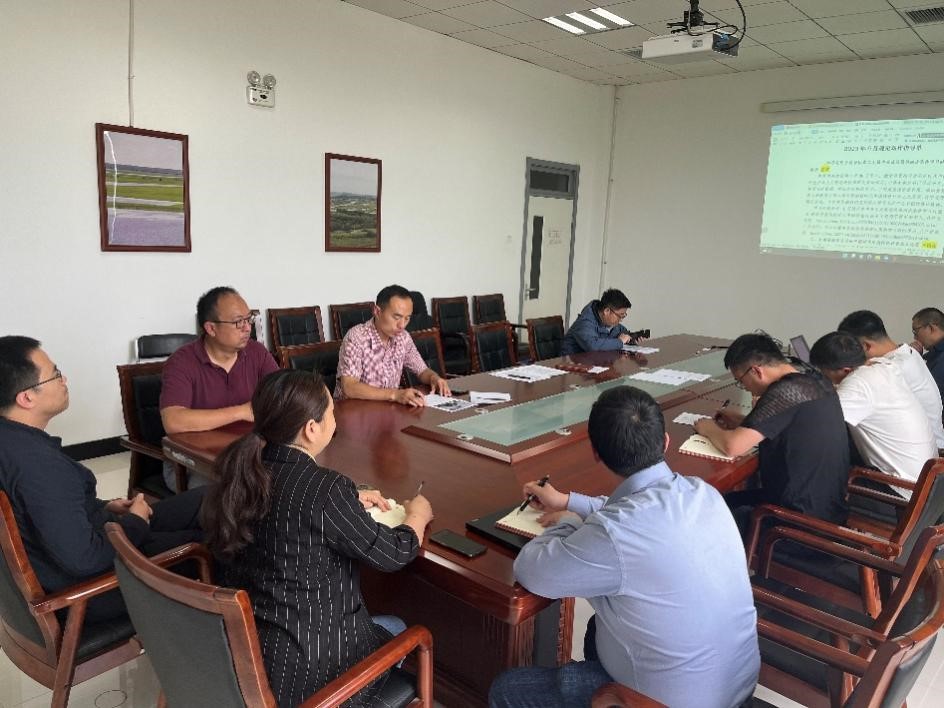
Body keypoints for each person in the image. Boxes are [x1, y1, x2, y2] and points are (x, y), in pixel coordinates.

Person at [489, 386, 759, 708]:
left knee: (508, 689)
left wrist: (568, 522)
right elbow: (634, 511)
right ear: (665, 442)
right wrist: (568, 501)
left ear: (596, 453)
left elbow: (531, 571)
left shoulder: (614, 533)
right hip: (736, 686)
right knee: (597, 629)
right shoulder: (701, 492)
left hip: (667, 703)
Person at [201, 369, 433, 708]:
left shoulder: (241, 472)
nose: (335, 421)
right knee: (397, 626)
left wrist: (347, 500)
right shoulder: (325, 489)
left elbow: (289, 502)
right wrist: (418, 515)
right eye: (332, 413)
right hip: (313, 681)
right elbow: (394, 553)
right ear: (311, 429)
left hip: (249, 655)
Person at [0, 336, 204, 623]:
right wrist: (135, 522)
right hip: (95, 591)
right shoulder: (38, 466)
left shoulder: (12, 442)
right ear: (26, 398)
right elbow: (86, 560)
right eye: (55, 374)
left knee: (209, 499)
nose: (64, 380)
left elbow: (48, 512)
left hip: (92, 537)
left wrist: (105, 506)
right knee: (217, 543)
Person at [694, 333, 849, 529]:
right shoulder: (814, 379)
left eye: (741, 381)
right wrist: (741, 422)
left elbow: (733, 446)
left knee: (705, 513)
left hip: (797, 523)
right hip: (825, 508)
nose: (744, 388)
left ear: (756, 371)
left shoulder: (785, 391)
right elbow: (783, 426)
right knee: (723, 500)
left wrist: (708, 428)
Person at [160, 286, 278, 488]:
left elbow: (283, 391)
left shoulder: (256, 352)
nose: (247, 328)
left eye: (248, 319)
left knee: (289, 478)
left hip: (248, 453)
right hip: (192, 463)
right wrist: (242, 412)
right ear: (211, 328)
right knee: (237, 492)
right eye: (238, 322)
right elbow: (174, 421)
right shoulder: (181, 363)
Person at [810, 331, 936, 494]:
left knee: (816, 472)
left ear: (846, 371)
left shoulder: (858, 384)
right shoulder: (882, 367)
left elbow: (818, 424)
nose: (823, 378)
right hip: (926, 484)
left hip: (902, 490)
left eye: (823, 373)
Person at [838, 310, 944, 448]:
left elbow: (839, 409)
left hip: (930, 453)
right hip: (932, 444)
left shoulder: (891, 369)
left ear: (865, 346)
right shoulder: (908, 354)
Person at [335, 284, 450, 406]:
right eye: (397, 317)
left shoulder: (403, 337)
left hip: (387, 408)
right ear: (377, 311)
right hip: (353, 410)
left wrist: (434, 378)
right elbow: (349, 387)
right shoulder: (357, 337)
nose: (402, 325)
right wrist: (395, 394)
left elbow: (422, 370)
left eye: (407, 318)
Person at [560, 288, 638, 356]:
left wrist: (633, 339)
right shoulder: (585, 322)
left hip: (592, 361)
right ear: (607, 311)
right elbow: (592, 346)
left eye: (623, 316)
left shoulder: (609, 322)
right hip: (570, 363)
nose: (621, 319)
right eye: (620, 315)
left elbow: (623, 332)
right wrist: (620, 342)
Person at [911, 307, 944, 398]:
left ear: (931, 328)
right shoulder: (934, 355)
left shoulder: (941, 359)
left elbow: (928, 396)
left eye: (916, 331)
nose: (915, 337)